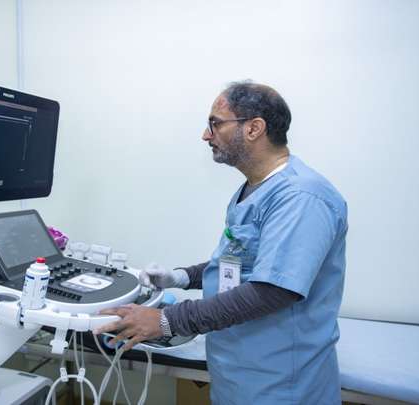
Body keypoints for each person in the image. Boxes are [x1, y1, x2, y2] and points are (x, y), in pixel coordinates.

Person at [94, 81, 348, 404]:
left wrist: (167, 321)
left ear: (254, 128)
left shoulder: (301, 197)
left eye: (215, 123)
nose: (206, 135)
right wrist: (181, 277)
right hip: (239, 373)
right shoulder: (254, 189)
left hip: (282, 383)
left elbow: (273, 290)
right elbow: (240, 261)